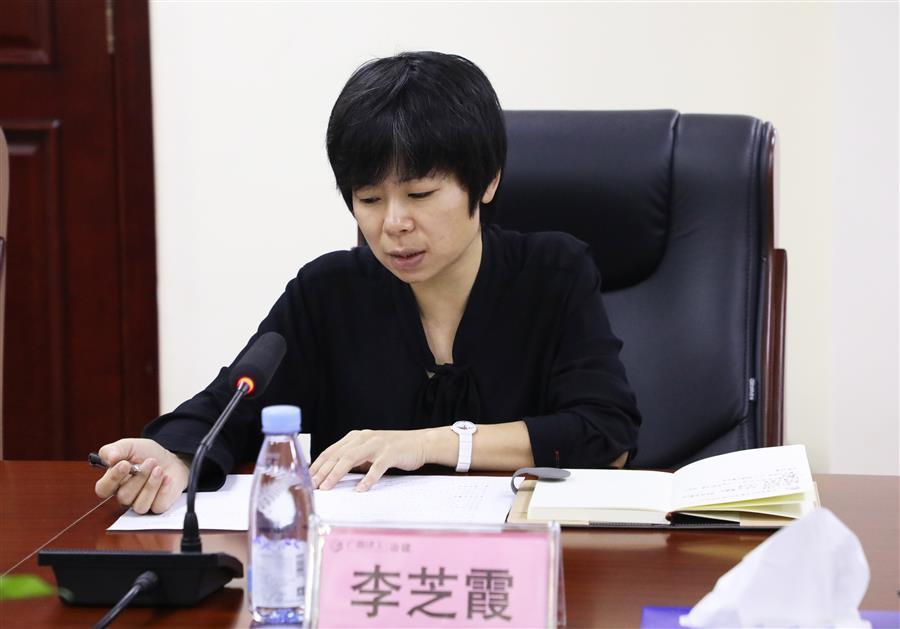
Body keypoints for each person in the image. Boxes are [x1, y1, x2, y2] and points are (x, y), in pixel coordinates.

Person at [94, 51, 641, 515]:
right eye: (370, 199)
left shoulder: (553, 274)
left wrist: (429, 444)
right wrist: (174, 457)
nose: (393, 223)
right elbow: (229, 407)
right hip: (366, 568)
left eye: (420, 194)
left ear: (488, 181)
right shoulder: (328, 293)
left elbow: (606, 434)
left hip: (522, 558)